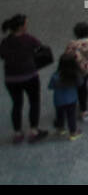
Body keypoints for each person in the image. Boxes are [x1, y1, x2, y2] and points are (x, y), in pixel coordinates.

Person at [1, 14, 49, 143]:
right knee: (34, 102)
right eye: (26, 24)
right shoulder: (28, 39)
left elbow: (2, 55)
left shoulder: (5, 42)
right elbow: (40, 48)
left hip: (11, 79)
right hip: (29, 76)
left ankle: (17, 133)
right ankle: (33, 130)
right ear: (21, 27)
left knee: (16, 104)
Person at [65, 22, 88, 121]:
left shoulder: (73, 45)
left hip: (76, 68)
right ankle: (84, 110)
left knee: (76, 87)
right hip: (87, 68)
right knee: (83, 88)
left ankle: (73, 106)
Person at [49, 53, 83, 141]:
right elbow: (80, 83)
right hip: (71, 99)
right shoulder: (75, 75)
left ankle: (60, 129)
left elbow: (50, 86)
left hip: (58, 100)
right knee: (71, 116)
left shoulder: (56, 76)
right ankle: (73, 133)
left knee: (59, 114)